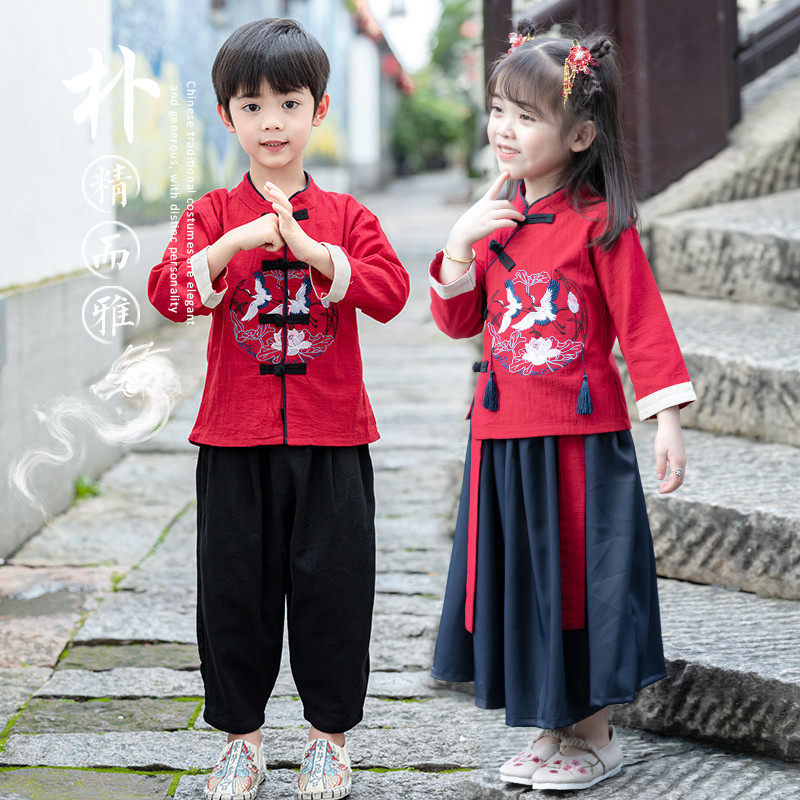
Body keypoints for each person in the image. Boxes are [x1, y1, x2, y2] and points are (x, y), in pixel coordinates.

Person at [427, 19, 696, 792]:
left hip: (580, 443)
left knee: (582, 584)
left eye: (527, 116)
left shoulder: (600, 225)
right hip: (504, 440)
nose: (504, 129)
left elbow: (643, 326)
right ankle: (552, 730)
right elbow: (457, 320)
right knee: (529, 584)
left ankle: (596, 735)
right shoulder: (493, 221)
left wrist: (666, 419)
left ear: (579, 135)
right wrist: (459, 243)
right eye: (498, 110)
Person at [147, 18, 409, 800]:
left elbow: (391, 292)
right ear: (226, 115)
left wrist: (313, 251)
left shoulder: (348, 216)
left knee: (335, 591)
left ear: (319, 110)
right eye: (252, 105)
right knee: (234, 593)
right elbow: (169, 294)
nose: (271, 122)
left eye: (290, 103)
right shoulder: (208, 215)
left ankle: (328, 742)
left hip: (333, 440)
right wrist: (236, 244)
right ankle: (242, 743)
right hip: (234, 439)